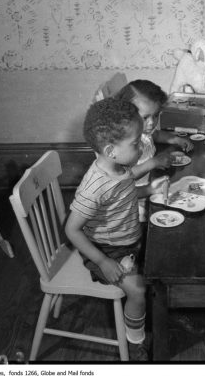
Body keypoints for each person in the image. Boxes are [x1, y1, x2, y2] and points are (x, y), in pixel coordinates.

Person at [65, 98, 168, 360]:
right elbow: (72, 230)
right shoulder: (94, 186)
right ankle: (135, 342)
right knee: (137, 289)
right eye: (136, 144)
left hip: (129, 238)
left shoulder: (119, 166)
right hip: (105, 250)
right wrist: (102, 261)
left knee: (165, 256)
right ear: (111, 150)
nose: (141, 147)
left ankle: (162, 313)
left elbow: (125, 192)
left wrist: (149, 190)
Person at [114, 80, 194, 222]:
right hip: (129, 202)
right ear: (125, 115)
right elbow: (123, 180)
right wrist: (153, 163)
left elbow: (155, 135)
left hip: (148, 187)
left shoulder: (143, 130)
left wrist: (174, 140)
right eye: (145, 117)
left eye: (156, 115)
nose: (151, 122)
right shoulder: (125, 144)